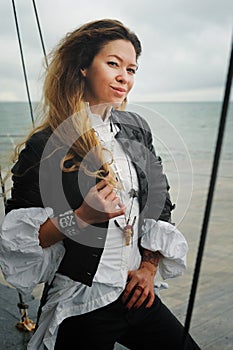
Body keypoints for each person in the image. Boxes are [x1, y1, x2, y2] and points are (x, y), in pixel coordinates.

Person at [0, 19, 200, 349]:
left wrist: (148, 268)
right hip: (83, 304)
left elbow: (159, 202)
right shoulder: (46, 144)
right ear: (82, 67)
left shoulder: (136, 128)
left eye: (132, 69)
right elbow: (25, 238)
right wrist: (80, 217)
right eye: (113, 64)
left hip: (137, 296)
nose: (125, 77)